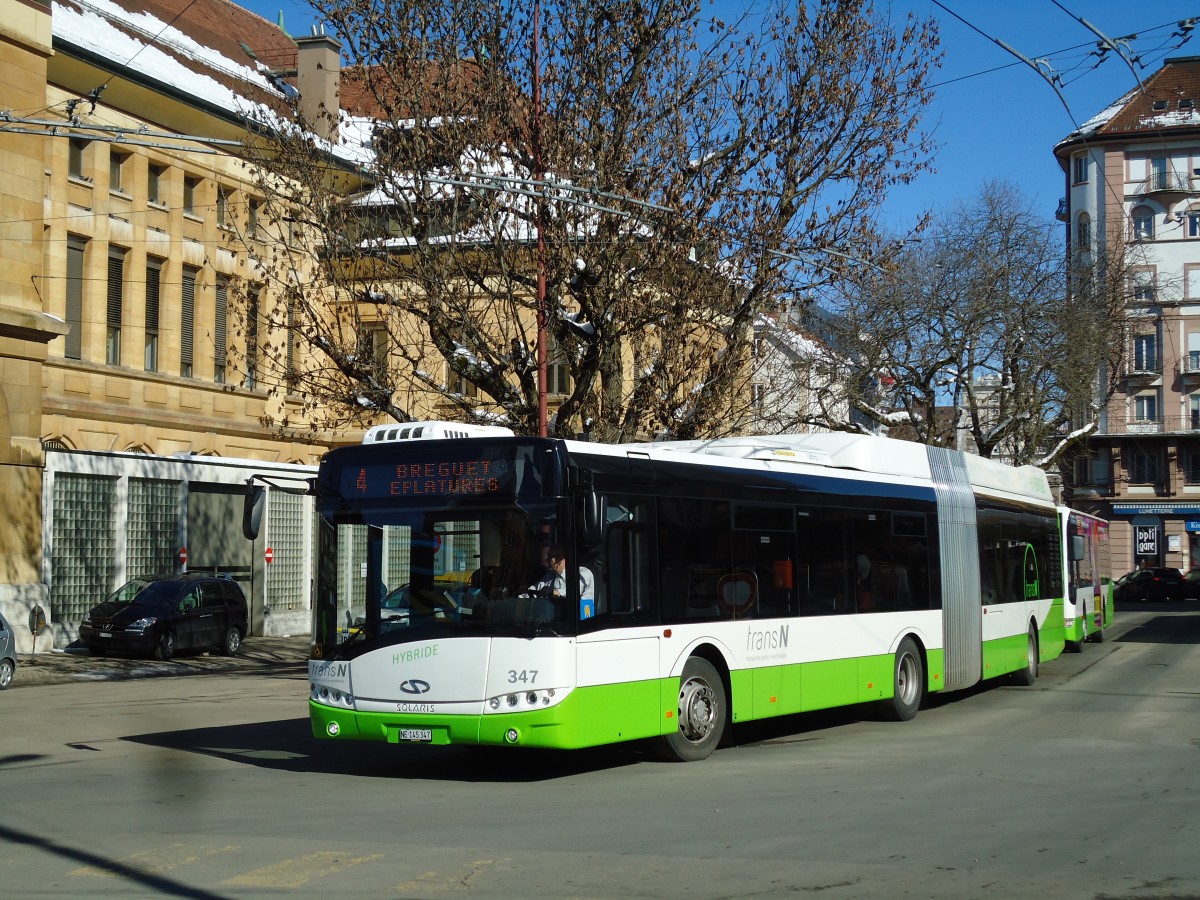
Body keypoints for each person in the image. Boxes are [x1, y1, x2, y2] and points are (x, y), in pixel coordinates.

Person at [530, 544, 596, 618]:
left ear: (559, 560)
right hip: (560, 620)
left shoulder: (582, 573)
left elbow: (574, 589)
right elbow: (535, 589)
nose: (547, 561)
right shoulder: (550, 576)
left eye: (550, 558)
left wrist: (554, 592)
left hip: (582, 620)